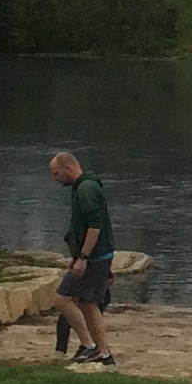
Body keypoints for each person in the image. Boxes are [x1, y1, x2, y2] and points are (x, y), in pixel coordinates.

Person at [49, 150, 117, 369]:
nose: (55, 179)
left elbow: (95, 227)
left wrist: (83, 257)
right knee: (89, 304)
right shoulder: (85, 186)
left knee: (62, 299)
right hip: (98, 256)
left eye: (56, 173)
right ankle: (104, 353)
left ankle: (90, 346)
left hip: (93, 257)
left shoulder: (86, 189)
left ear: (69, 168)